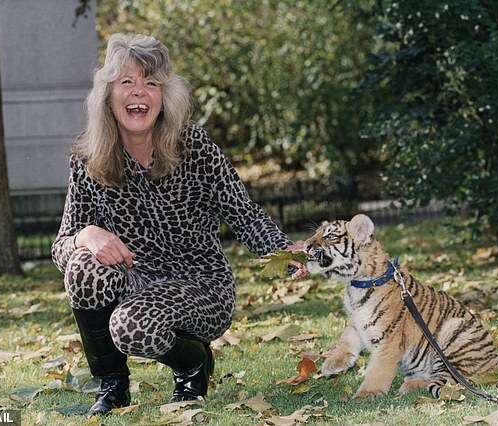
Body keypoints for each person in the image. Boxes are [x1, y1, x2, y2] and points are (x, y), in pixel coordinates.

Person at [51, 33, 307, 418]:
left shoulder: (195, 146)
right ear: (108, 95)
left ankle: (193, 364)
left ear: (164, 95)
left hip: (202, 284)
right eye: (127, 82)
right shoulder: (88, 158)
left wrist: (284, 252)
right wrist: (86, 235)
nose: (139, 92)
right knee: (82, 266)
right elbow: (60, 247)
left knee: (130, 326)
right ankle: (112, 388)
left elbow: (244, 213)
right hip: (137, 280)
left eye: (150, 82)